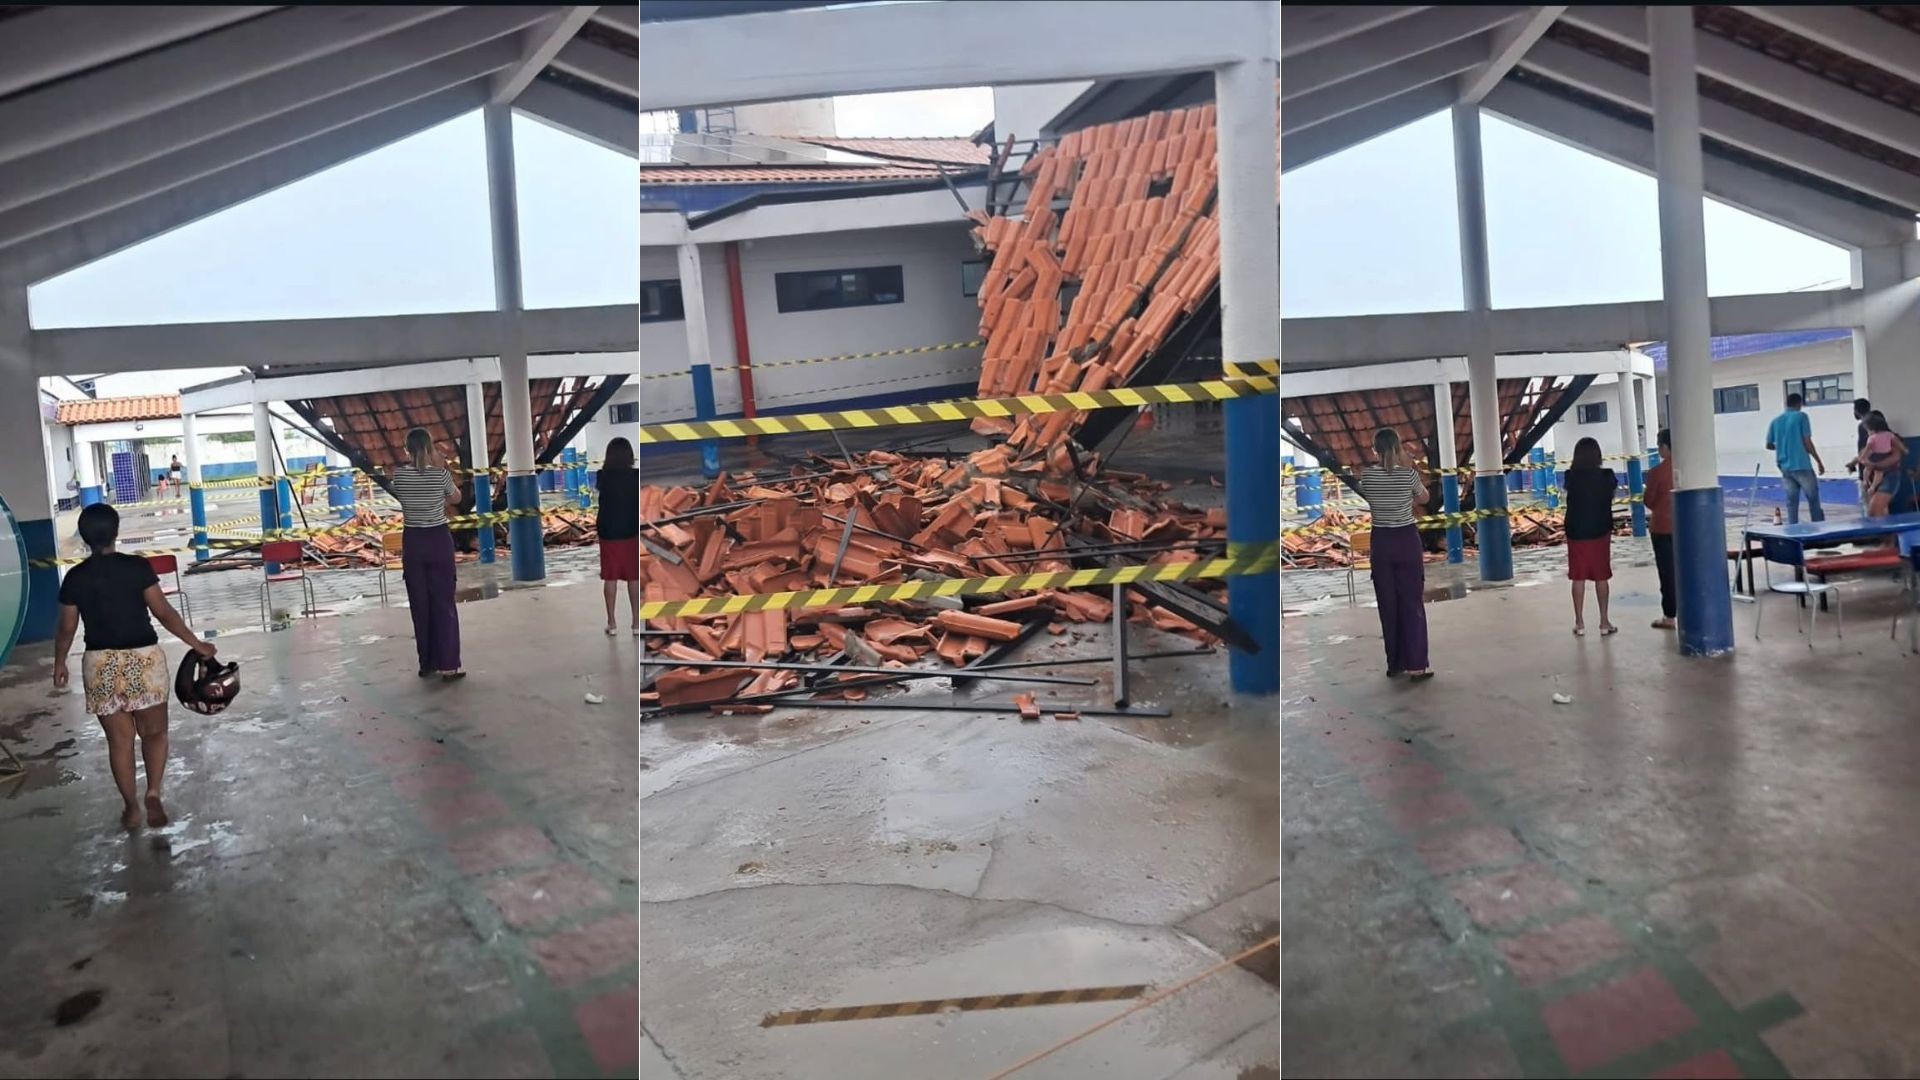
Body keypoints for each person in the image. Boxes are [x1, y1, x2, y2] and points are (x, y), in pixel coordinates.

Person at [52, 503, 216, 830]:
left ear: (84, 537)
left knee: (120, 742)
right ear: (116, 532)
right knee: (154, 733)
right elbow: (163, 613)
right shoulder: (137, 568)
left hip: (100, 663)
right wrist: (198, 645)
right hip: (143, 659)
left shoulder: (75, 578)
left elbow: (67, 627)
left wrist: (59, 662)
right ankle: (153, 792)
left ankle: (131, 808)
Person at [1356, 428, 1432, 680]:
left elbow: (1372, 499)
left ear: (1374, 450)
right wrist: (1408, 497)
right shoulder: (1408, 475)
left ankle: (1395, 664)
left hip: (1382, 543)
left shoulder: (1368, 476)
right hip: (1406, 541)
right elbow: (1425, 498)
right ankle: (1416, 665)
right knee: (1412, 603)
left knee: (1388, 604)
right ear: (1399, 448)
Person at [391, 428, 465, 680]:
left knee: (420, 604)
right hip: (438, 540)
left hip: (413, 542)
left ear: (407, 450)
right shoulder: (440, 475)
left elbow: (406, 499)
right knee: (444, 603)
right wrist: (441, 497)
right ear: (430, 448)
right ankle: (449, 665)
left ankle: (427, 664)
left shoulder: (399, 476)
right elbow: (457, 498)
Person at [1564, 437, 1619, 636]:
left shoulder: (1570, 477)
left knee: (1578, 577)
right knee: (1601, 576)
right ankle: (1604, 622)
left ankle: (1579, 623)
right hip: (1600, 532)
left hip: (1576, 532)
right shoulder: (1607, 476)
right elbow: (1610, 496)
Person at [596, 437, 640, 635]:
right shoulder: (635, 476)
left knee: (610, 576)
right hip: (630, 530)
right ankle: (636, 624)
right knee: (633, 576)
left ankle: (612, 623)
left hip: (608, 532)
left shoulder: (602, 476)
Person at [1766, 392, 1826, 524]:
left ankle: (1792, 529)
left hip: (1785, 467)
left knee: (1791, 502)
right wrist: (1819, 462)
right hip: (1801, 464)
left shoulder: (1775, 421)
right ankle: (1819, 527)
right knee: (1813, 499)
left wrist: (1783, 446)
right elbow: (1807, 442)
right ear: (1799, 403)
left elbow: (1769, 445)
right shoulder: (1801, 417)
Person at [1644, 428, 1676, 630]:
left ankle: (1670, 616)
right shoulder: (1690, 467)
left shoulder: (1656, 472)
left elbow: (1648, 500)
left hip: (1662, 528)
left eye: (1659, 446)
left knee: (1667, 573)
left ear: (1665, 446)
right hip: (1686, 528)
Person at [1852, 410, 1909, 519]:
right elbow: (1862, 455)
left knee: (1875, 511)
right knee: (1880, 512)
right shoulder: (1871, 439)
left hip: (1888, 476)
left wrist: (1873, 464)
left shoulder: (1890, 438)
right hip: (1874, 478)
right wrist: (1856, 463)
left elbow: (1895, 457)